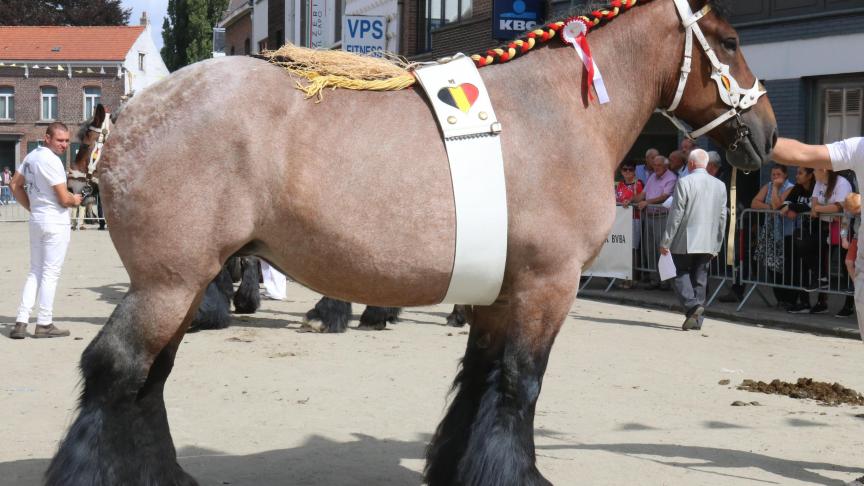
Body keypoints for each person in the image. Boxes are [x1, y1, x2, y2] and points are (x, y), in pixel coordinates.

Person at [771, 137, 864, 338]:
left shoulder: (842, 182)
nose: (812, 173)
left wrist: (820, 209)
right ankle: (821, 287)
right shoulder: (858, 148)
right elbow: (802, 154)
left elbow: (840, 207)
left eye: (814, 170)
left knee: (845, 261)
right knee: (809, 247)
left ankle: (844, 300)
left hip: (843, 227)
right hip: (829, 229)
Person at [9, 123, 83, 339]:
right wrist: (75, 199)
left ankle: (21, 321)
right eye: (60, 140)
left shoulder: (31, 156)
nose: (64, 144)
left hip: (37, 219)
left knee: (35, 271)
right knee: (51, 273)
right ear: (47, 138)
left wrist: (32, 208)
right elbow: (63, 198)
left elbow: (15, 185)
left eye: (67, 141)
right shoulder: (52, 161)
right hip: (55, 221)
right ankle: (44, 322)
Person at [659, 149, 728, 331]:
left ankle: (691, 307)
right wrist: (718, 244)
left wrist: (666, 241)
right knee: (700, 276)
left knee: (678, 272)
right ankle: (697, 318)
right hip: (708, 239)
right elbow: (723, 217)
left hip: (686, 238)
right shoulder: (720, 185)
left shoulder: (684, 181)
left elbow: (676, 214)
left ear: (690, 164)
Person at [750, 165, 795, 307]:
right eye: (773, 174)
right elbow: (755, 202)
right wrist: (768, 208)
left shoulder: (790, 188)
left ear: (785, 175)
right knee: (770, 264)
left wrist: (775, 189)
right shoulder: (767, 186)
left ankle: (789, 298)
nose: (775, 177)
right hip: (769, 231)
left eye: (778, 174)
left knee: (784, 265)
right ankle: (779, 298)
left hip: (785, 231)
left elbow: (778, 206)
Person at [635, 155, 677, 289]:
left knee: (663, 249)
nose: (655, 168)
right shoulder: (652, 176)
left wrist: (647, 202)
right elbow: (643, 194)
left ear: (665, 166)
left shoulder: (671, 178)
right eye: (654, 165)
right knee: (650, 250)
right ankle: (655, 279)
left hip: (662, 217)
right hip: (649, 216)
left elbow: (665, 196)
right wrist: (630, 200)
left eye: (659, 165)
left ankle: (666, 281)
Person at [615, 160, 644, 289]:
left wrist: (630, 201)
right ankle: (624, 276)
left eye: (630, 169)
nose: (627, 172)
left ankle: (633, 277)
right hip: (621, 220)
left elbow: (640, 198)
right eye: (624, 169)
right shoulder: (620, 184)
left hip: (634, 219)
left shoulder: (638, 184)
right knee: (622, 249)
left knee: (633, 249)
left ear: (634, 171)